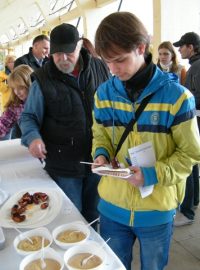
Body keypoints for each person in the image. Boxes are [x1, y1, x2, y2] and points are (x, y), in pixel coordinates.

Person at [92, 12, 200, 270]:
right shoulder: (104, 93)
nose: (113, 70)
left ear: (141, 48)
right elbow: (101, 134)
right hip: (111, 207)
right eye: (107, 62)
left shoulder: (178, 98)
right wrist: (101, 154)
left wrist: (150, 175)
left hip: (156, 211)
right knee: (113, 266)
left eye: (119, 60)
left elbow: (190, 155)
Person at [19, 23, 110, 227]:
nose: (63, 58)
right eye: (57, 54)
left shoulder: (100, 67)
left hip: (99, 159)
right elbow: (28, 117)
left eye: (68, 52)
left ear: (79, 46)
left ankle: (90, 255)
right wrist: (33, 138)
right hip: (64, 165)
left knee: (95, 213)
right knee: (71, 218)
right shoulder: (42, 80)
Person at [173, 32, 200, 226]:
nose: (179, 49)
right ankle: (194, 201)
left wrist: (178, 103)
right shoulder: (194, 66)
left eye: (182, 46)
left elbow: (194, 98)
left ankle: (187, 211)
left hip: (195, 121)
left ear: (191, 47)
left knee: (188, 165)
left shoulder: (196, 67)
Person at [0, 65, 33, 139]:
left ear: (29, 84)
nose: (17, 92)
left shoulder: (45, 100)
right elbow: (3, 124)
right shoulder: (16, 106)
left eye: (21, 88)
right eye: (14, 88)